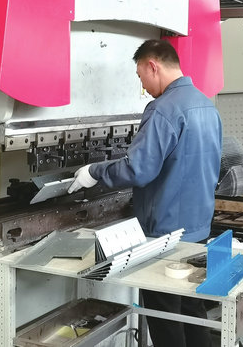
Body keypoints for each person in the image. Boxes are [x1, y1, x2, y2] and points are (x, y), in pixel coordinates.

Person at [67, 39, 222, 347]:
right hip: (198, 228)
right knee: (192, 308)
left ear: (153, 66)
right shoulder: (207, 105)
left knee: (164, 316)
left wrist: (94, 172)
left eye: (141, 77)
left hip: (164, 234)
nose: (143, 87)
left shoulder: (164, 109)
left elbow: (138, 169)